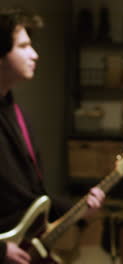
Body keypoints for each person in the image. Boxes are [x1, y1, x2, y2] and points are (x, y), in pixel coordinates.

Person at [0, 8, 105, 264]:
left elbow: (33, 198)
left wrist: (80, 209)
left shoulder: (18, 116)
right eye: (23, 46)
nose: (34, 55)